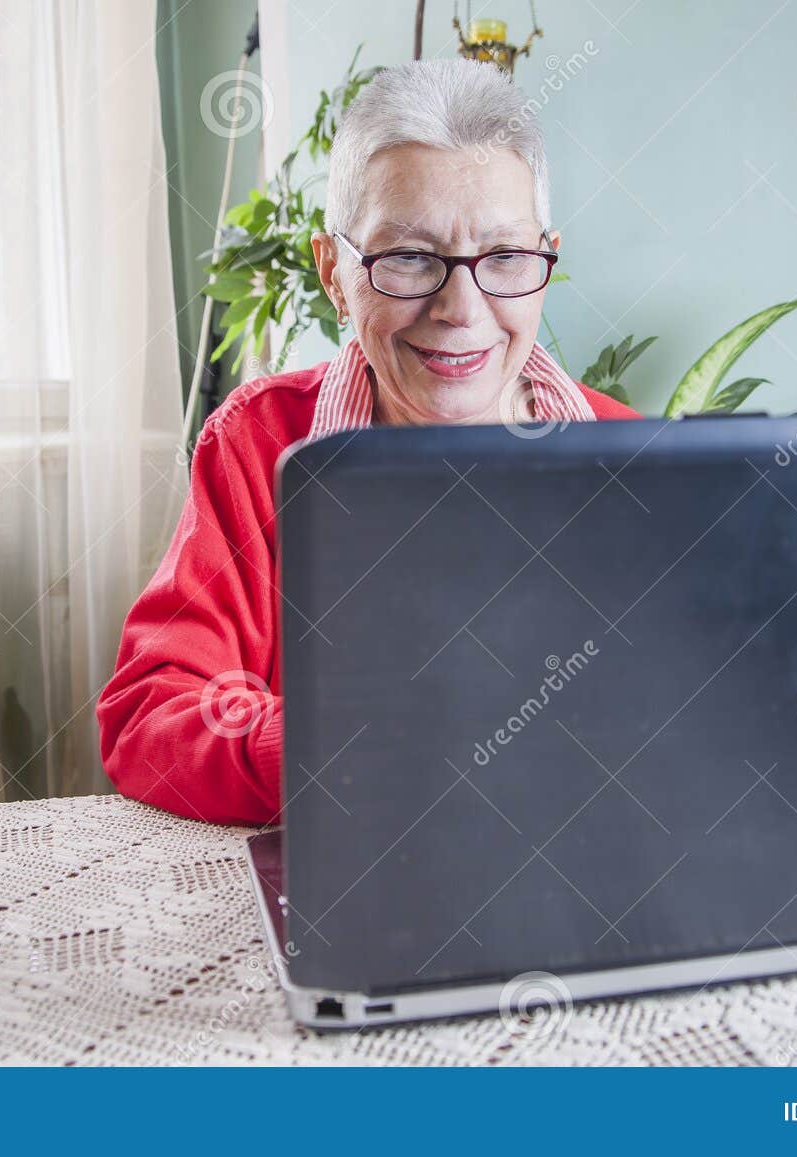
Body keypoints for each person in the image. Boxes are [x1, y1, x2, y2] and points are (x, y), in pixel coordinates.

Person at [97, 58, 640, 825]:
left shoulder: (637, 457)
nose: (460, 308)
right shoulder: (260, 446)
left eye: (506, 257)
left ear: (546, 260)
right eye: (410, 258)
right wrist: (339, 745)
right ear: (333, 271)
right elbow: (151, 713)